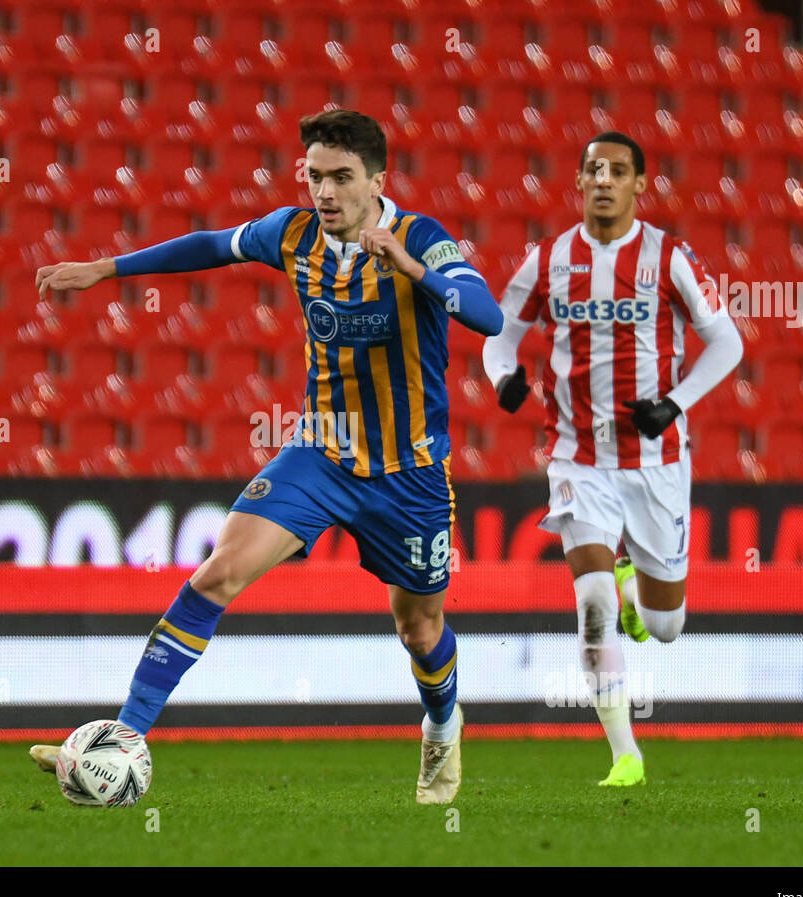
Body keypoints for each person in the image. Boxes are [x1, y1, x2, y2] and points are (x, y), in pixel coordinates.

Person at [32, 109, 503, 803]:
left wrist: (408, 267)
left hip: (410, 475)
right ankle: (126, 738)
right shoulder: (291, 233)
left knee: (419, 627)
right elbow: (209, 245)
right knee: (217, 575)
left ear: (378, 179)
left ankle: (441, 725)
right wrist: (105, 268)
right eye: (315, 175)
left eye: (342, 177)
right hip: (319, 456)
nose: (326, 191)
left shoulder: (421, 238)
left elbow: (486, 314)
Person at [482, 131, 743, 786]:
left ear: (638, 185)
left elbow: (726, 342)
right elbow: (499, 333)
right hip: (577, 459)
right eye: (593, 169)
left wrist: (676, 403)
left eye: (617, 170)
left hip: (657, 460)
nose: (603, 179)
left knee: (666, 625)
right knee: (592, 604)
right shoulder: (547, 260)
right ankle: (626, 753)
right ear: (578, 182)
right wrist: (503, 377)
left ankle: (639, 585)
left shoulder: (669, 257)